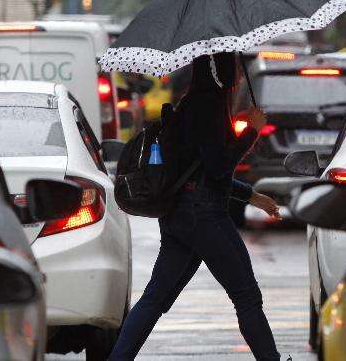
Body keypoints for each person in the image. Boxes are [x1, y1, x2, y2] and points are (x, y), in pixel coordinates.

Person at [110, 52, 282, 361]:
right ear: (223, 73)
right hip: (203, 215)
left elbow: (199, 169)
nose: (241, 77)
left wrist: (251, 196)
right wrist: (252, 130)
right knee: (246, 296)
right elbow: (218, 167)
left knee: (155, 298)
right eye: (236, 69)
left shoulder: (192, 104)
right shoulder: (209, 108)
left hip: (179, 214)